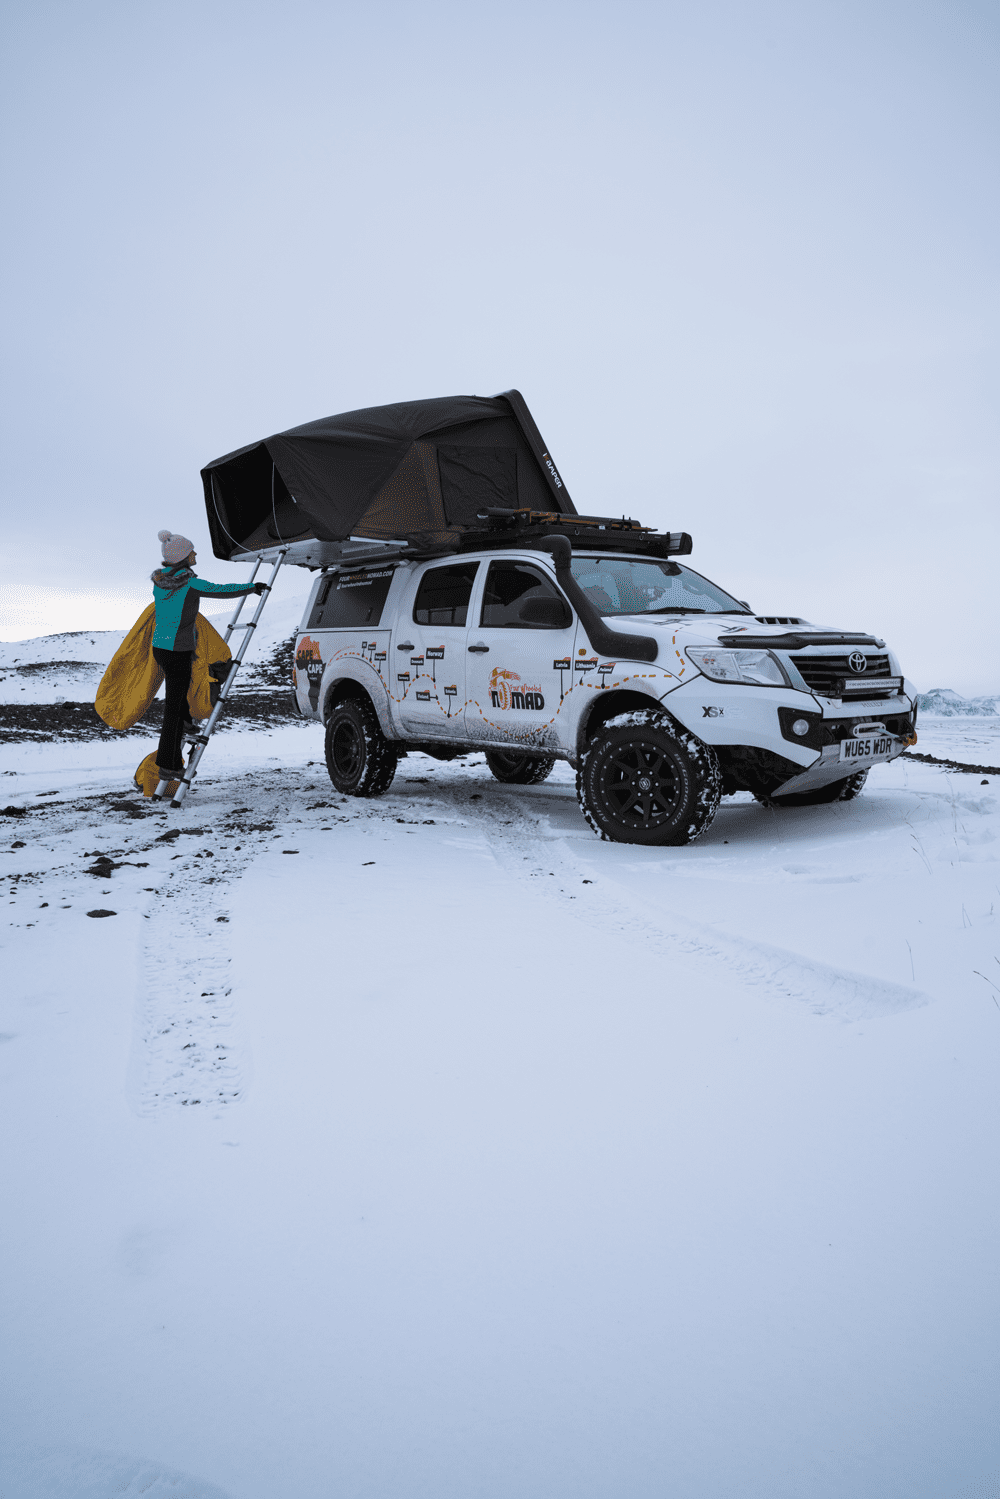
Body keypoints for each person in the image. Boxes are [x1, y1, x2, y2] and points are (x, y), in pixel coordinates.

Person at [151, 529, 265, 778]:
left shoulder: (161, 583)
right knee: (172, 708)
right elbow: (219, 590)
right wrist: (251, 588)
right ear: (182, 556)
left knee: (177, 699)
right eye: (191, 551)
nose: (195, 554)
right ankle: (168, 766)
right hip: (177, 651)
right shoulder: (189, 583)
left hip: (161, 648)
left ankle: (187, 725)